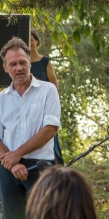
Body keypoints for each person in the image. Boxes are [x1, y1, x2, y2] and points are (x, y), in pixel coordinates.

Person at [0, 37, 61, 219]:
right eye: (13, 64)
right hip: (7, 167)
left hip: (40, 166)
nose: (18, 68)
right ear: (5, 67)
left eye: (22, 62)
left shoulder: (48, 90)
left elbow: (50, 129)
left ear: (30, 62)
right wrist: (12, 163)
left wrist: (17, 154)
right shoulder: (0, 99)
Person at [28, 29, 64, 164]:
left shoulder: (45, 61)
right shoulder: (20, 64)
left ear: (37, 42)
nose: (29, 43)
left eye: (31, 40)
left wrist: (36, 81)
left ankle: (55, 168)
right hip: (27, 107)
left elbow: (55, 85)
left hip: (44, 106)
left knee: (48, 135)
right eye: (26, 41)